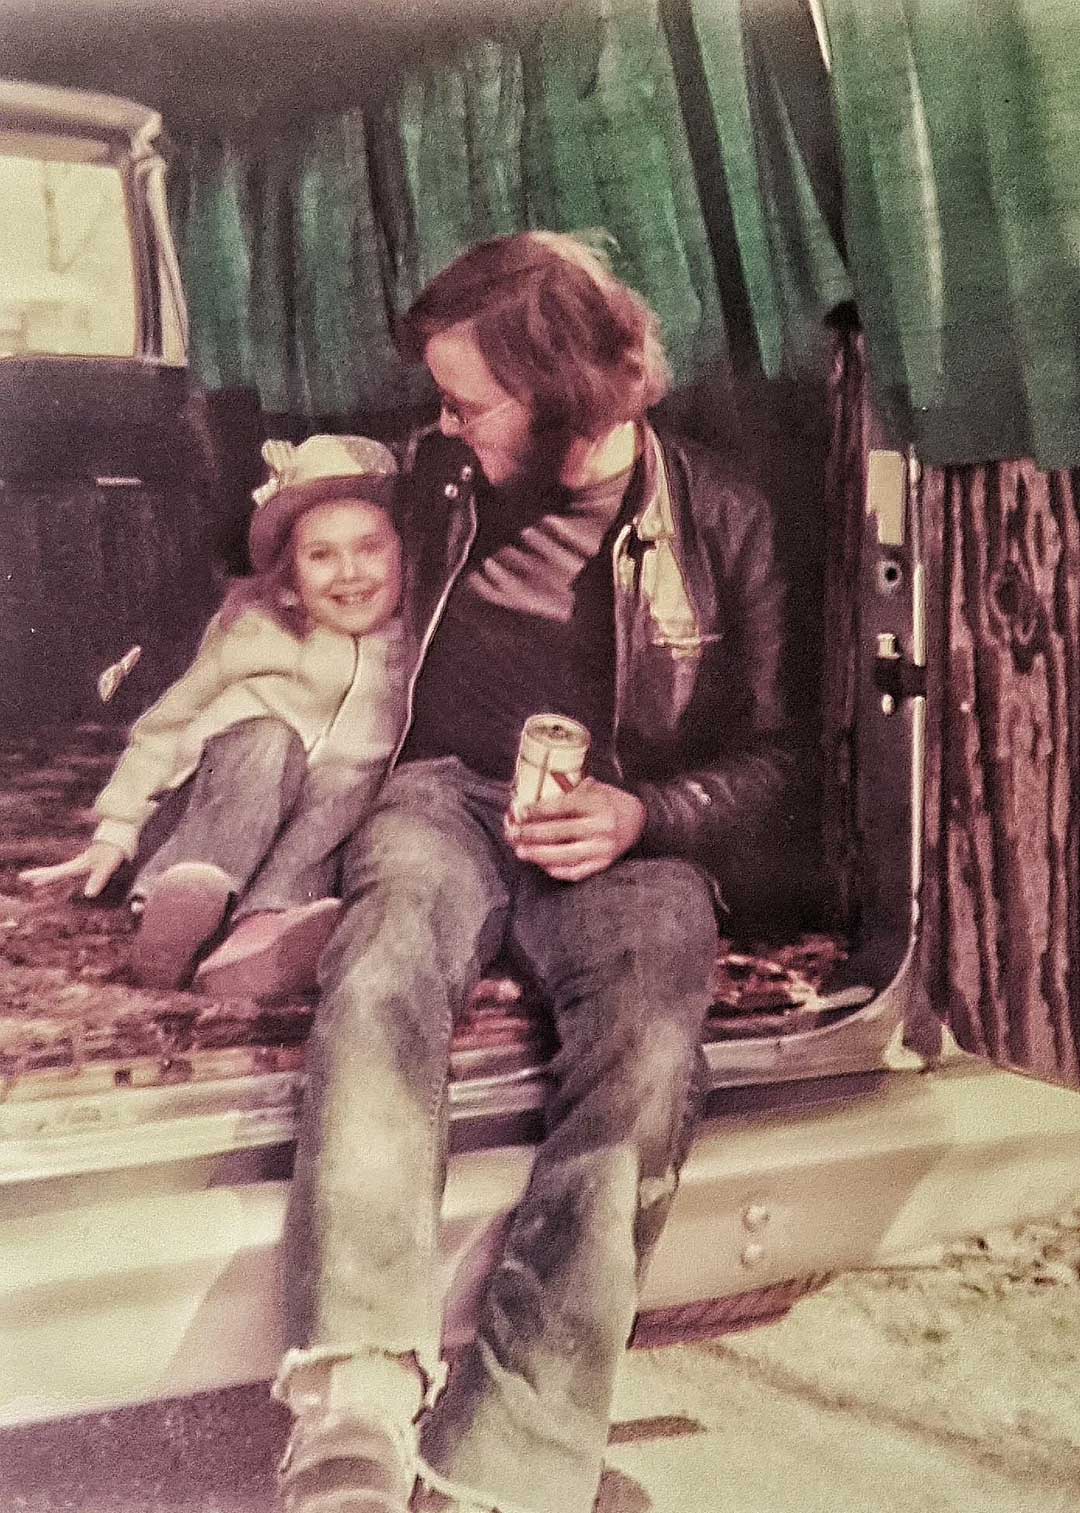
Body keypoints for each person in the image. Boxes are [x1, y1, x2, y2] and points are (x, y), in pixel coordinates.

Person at [275, 231, 803, 1513]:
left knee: (648, 1055)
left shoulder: (720, 518)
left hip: (628, 825)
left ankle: (506, 1459)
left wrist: (647, 813)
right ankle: (353, 1397)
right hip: (447, 793)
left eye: (467, 398)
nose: (441, 422)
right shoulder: (442, 482)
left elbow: (785, 758)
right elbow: (301, 540)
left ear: (566, 388)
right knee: (384, 962)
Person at [19, 435, 410, 998]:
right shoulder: (252, 629)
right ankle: (173, 913)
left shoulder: (416, 648)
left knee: (355, 779)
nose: (349, 572)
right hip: (199, 826)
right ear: (292, 580)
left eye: (369, 548)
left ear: (403, 555)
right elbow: (165, 726)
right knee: (268, 739)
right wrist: (117, 828)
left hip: (300, 854)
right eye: (321, 555)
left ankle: (262, 932)